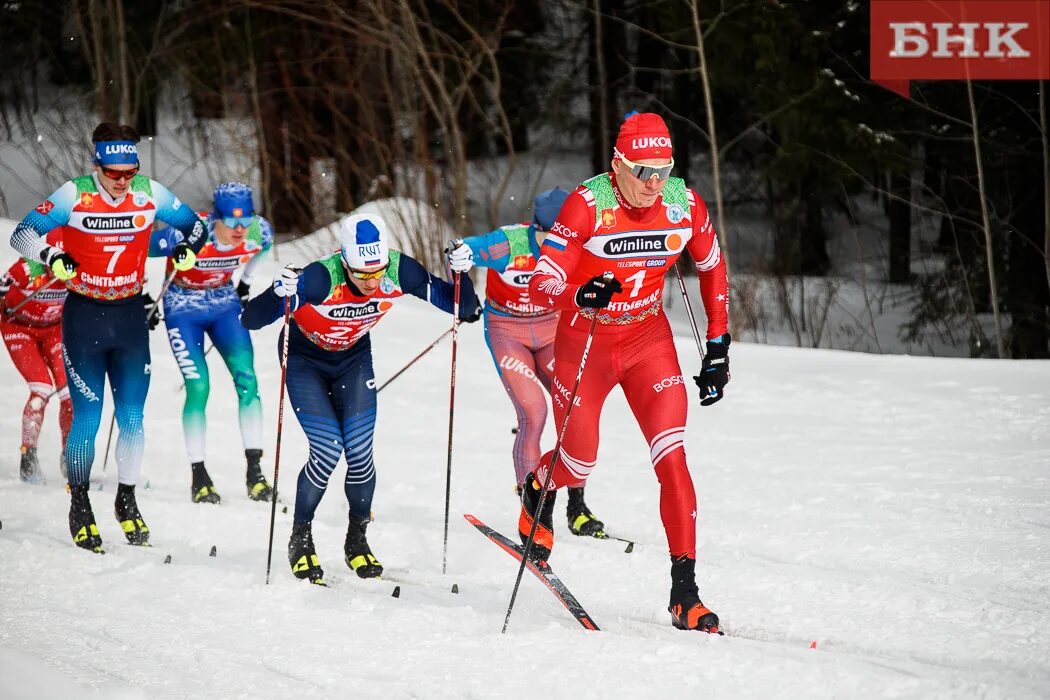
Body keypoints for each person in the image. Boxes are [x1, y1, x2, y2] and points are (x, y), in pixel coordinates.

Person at [521, 112, 731, 633]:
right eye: (642, 171)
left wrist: (719, 344)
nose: (653, 183)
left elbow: (713, 267)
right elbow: (540, 280)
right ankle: (538, 488)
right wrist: (578, 292)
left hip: (646, 340)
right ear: (617, 165)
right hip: (585, 342)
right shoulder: (588, 203)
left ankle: (686, 593)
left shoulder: (683, 203)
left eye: (664, 170)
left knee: (673, 459)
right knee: (580, 462)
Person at [242, 212, 480, 585]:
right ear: (344, 260)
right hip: (306, 360)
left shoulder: (399, 270)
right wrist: (278, 293)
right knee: (326, 450)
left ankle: (357, 539)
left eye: (377, 272)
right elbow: (250, 320)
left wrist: (460, 274)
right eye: (361, 273)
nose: (371, 282)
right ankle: (300, 537)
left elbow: (464, 309)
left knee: (360, 451)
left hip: (352, 361)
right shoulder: (322, 277)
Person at [9, 122, 208, 553]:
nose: (121, 182)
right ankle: (79, 503)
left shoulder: (149, 192)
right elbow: (21, 234)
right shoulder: (74, 193)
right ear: (97, 165)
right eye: (113, 173)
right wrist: (51, 254)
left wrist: (186, 248)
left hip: (129, 316)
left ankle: (126, 500)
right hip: (84, 317)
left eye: (129, 171)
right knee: (89, 418)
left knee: (133, 418)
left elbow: (196, 227)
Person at [462, 188, 607, 538]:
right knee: (535, 412)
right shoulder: (511, 243)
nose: (552, 247)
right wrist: (461, 253)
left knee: (574, 407)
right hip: (507, 331)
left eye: (561, 238)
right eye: (546, 237)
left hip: (551, 332)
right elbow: (471, 248)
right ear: (536, 227)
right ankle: (534, 508)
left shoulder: (580, 244)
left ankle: (577, 506)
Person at [151, 182, 274, 504]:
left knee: (248, 380)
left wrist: (245, 285)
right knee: (199, 386)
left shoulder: (258, 231)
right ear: (214, 217)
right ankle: (199, 475)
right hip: (182, 305)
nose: (239, 229)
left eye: (244, 221)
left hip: (223, 302)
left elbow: (262, 248)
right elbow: (140, 246)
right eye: (231, 222)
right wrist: (136, 292)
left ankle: (255, 472)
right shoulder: (190, 231)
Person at [0, 241, 71, 483]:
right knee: (41, 389)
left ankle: (70, 456)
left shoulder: (80, 269)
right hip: (19, 327)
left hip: (54, 329)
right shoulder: (28, 268)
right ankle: (28, 455)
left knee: (69, 391)